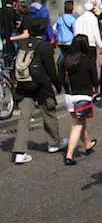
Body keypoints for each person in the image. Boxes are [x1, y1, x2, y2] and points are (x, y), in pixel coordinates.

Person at [11, 18, 65, 164]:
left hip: (23, 85)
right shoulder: (45, 46)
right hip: (42, 86)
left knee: (24, 118)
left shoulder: (21, 44)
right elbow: (51, 69)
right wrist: (58, 85)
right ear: (43, 30)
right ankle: (53, 143)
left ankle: (20, 152)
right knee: (49, 113)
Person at [60, 34, 99, 165]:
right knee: (77, 124)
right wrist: (96, 88)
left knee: (80, 122)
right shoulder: (88, 60)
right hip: (83, 95)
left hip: (68, 96)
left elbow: (60, 78)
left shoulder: (65, 59)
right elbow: (94, 78)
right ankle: (69, 155)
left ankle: (87, 144)